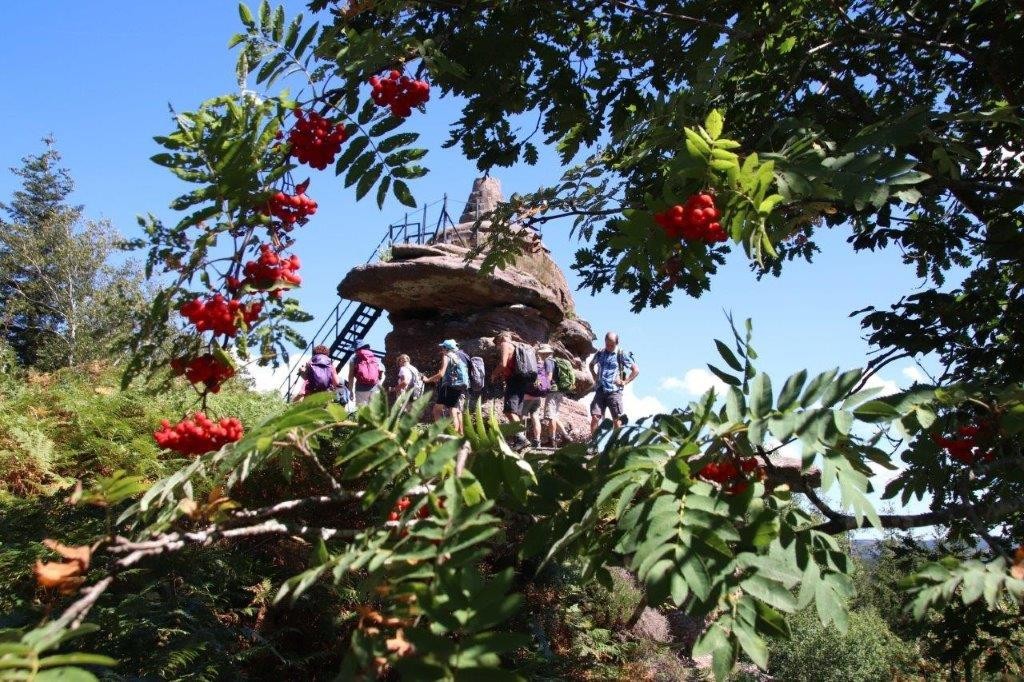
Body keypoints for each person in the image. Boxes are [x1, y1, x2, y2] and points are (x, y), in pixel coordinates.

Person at [589, 332, 639, 433]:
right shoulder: (600, 353)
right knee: (595, 417)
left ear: (617, 343)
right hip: (600, 390)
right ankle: (593, 445)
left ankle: (614, 445)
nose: (609, 347)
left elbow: (635, 370)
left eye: (612, 345)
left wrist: (625, 381)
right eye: (607, 344)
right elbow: (591, 365)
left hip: (614, 392)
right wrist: (595, 376)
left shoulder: (621, 354)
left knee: (617, 420)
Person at [491, 331, 530, 444]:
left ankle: (521, 439)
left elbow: (503, 364)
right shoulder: (516, 346)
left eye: (497, 343)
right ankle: (519, 439)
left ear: (500, 339)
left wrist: (494, 374)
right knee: (515, 411)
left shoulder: (505, 344)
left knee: (509, 411)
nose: (497, 347)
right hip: (522, 381)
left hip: (514, 380)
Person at [424, 339, 469, 435]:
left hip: (449, 386)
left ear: (446, 348)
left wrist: (428, 380)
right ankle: (455, 435)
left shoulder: (447, 356)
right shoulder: (460, 357)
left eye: (442, 347)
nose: (441, 349)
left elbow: (441, 374)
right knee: (453, 409)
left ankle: (442, 433)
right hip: (461, 386)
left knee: (436, 410)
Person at [537, 344, 569, 447]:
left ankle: (552, 440)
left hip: (552, 392)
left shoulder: (548, 361)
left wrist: (544, 387)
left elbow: (549, 375)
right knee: (554, 415)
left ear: (544, 353)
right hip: (559, 391)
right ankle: (566, 435)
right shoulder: (554, 361)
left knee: (551, 417)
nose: (540, 355)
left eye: (541, 353)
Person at [348, 339, 383, 407]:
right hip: (375, 387)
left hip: (361, 388)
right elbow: (380, 371)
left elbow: (350, 376)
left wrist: (351, 391)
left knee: (362, 412)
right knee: (374, 413)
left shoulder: (353, 359)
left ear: (356, 349)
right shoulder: (373, 357)